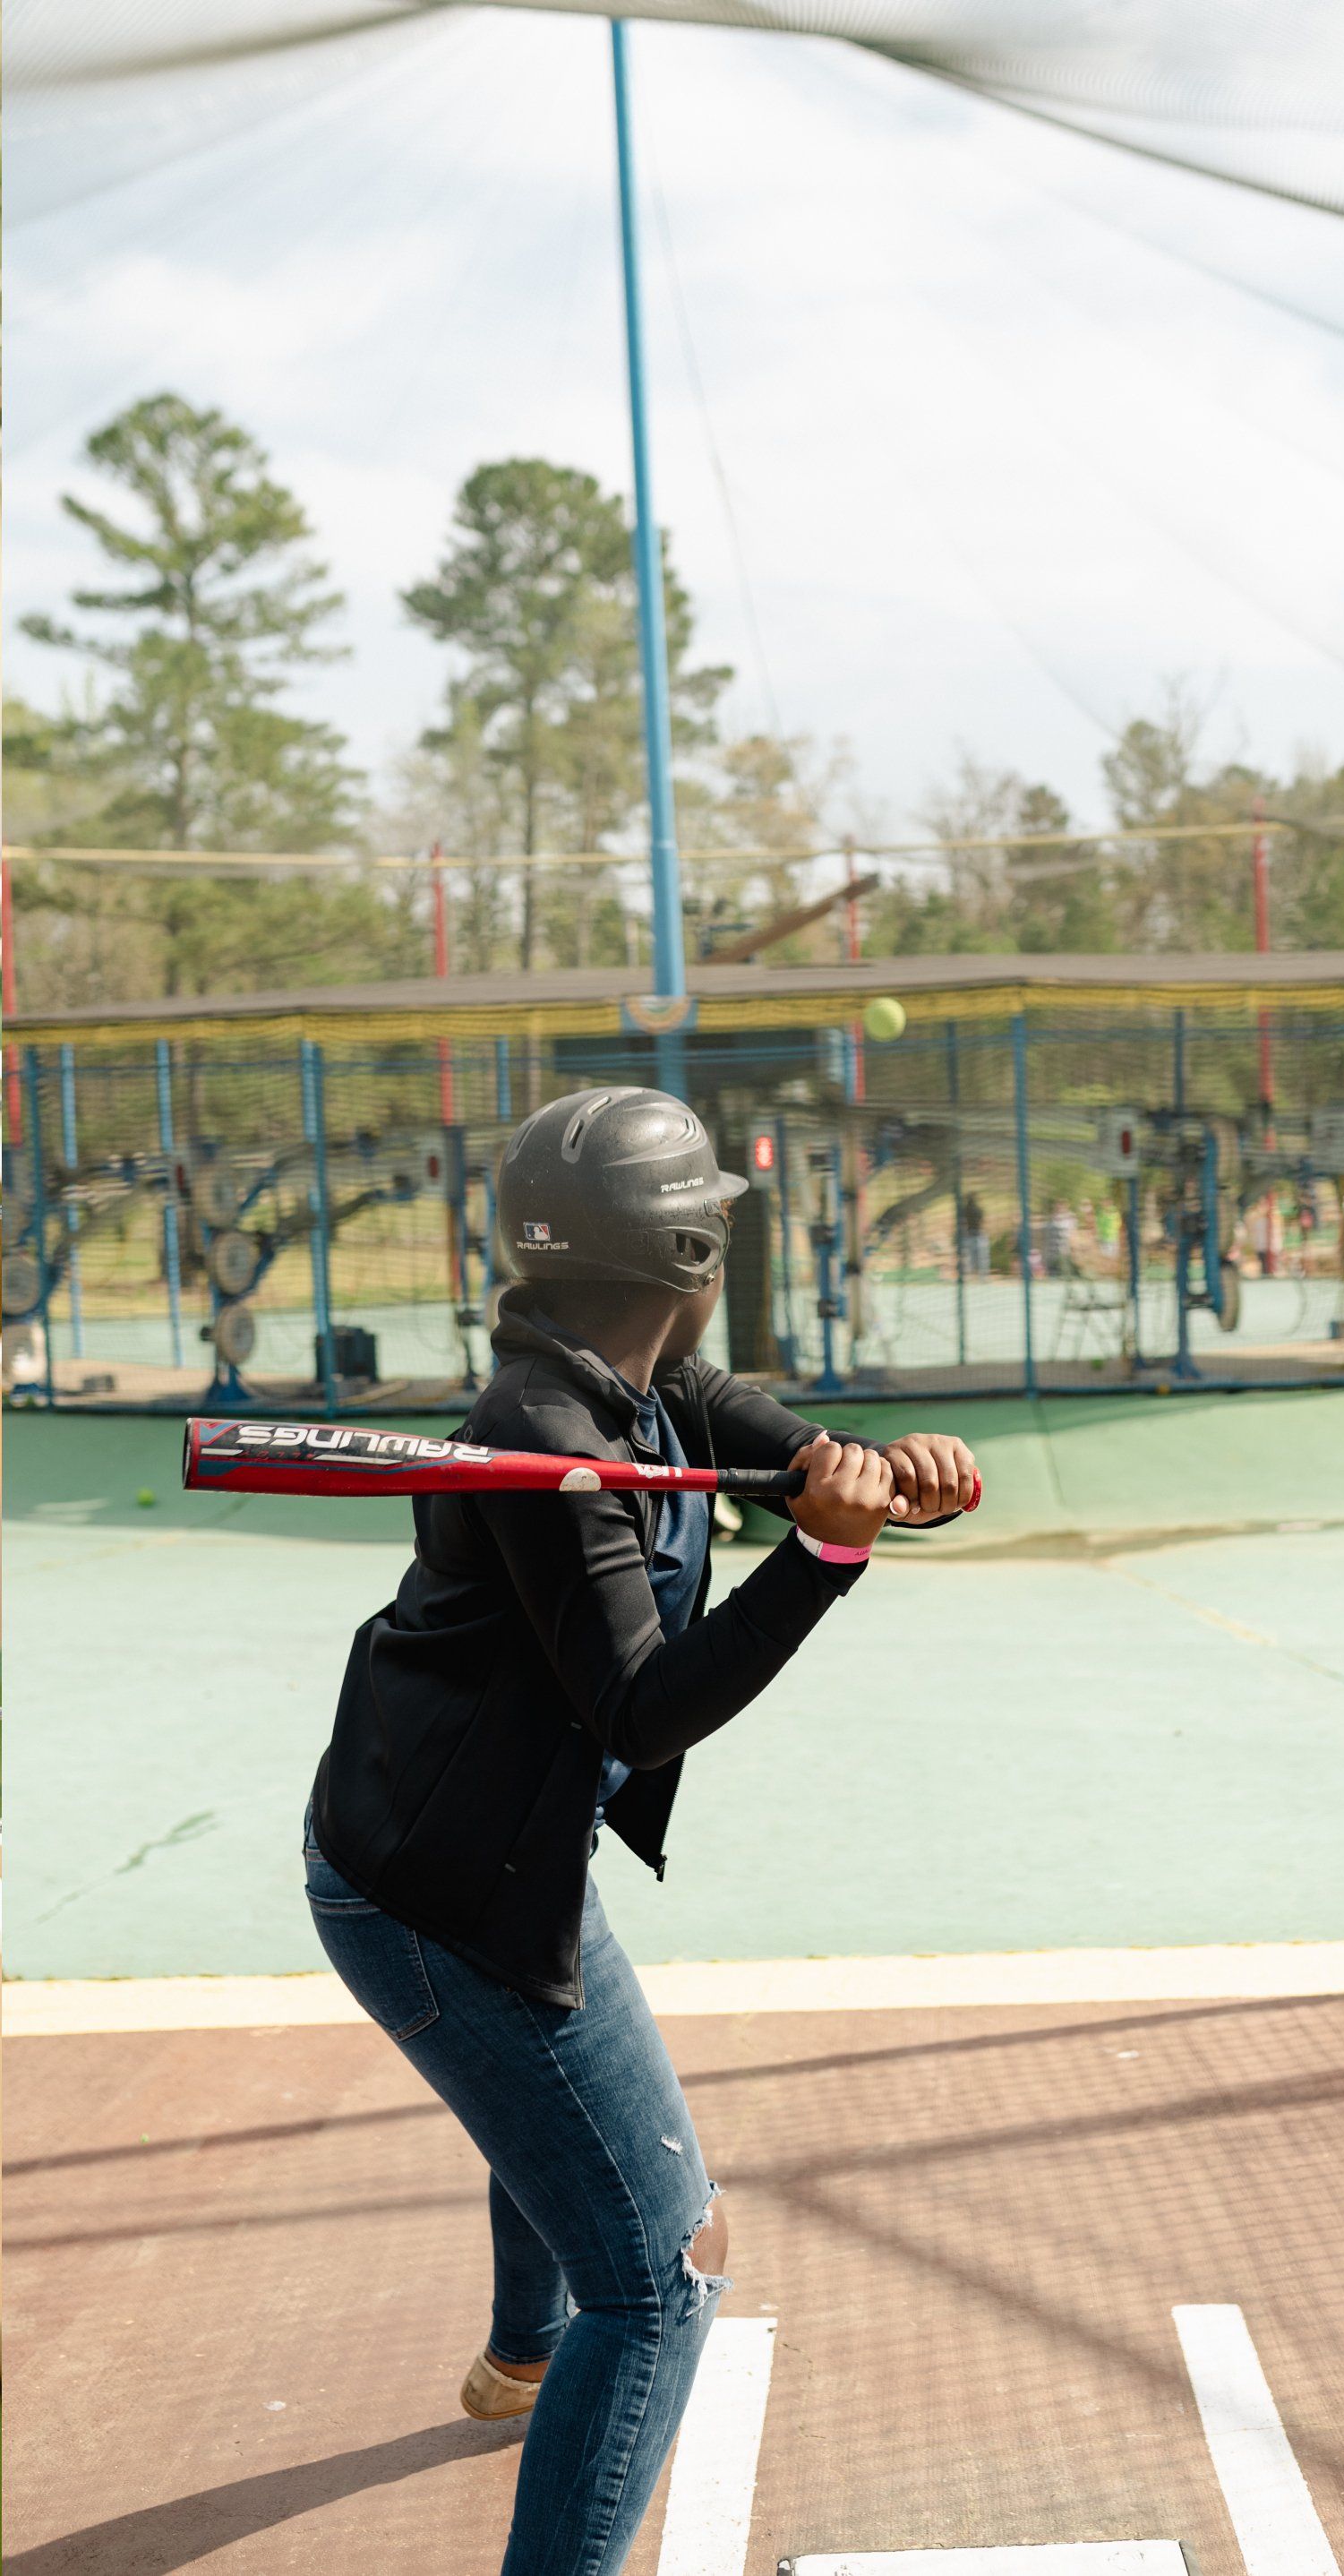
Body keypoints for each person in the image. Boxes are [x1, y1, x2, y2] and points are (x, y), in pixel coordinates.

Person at [304, 1086, 976, 2576]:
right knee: (666, 2272)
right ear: (684, 1252)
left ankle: (518, 2357)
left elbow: (782, 1440)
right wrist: (822, 1557)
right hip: (446, 1897)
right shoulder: (540, 1429)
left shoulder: (643, 1390)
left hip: (471, 1848)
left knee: (563, 2135)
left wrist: (877, 1473)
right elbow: (641, 1707)